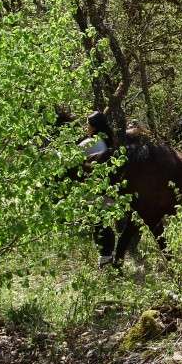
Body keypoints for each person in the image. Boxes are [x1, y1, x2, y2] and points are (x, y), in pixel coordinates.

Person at [79, 111, 115, 267]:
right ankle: (107, 257)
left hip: (95, 191)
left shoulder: (89, 143)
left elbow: (68, 159)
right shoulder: (108, 140)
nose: (86, 127)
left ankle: (106, 259)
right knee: (104, 224)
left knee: (99, 225)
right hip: (107, 188)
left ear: (93, 127)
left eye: (87, 124)